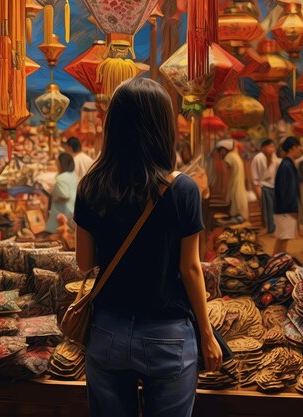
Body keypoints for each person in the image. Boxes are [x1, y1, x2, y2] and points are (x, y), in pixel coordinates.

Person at [74, 78, 222, 417]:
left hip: (108, 330)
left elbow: (84, 262)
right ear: (162, 126)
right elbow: (190, 269)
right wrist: (207, 334)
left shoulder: (90, 186)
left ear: (114, 125)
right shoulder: (183, 189)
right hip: (168, 336)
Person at [273, 136, 303, 255]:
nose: (300, 150)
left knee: (282, 238)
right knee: (283, 239)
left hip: (283, 208)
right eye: (298, 147)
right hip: (286, 209)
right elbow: (287, 190)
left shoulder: (287, 164)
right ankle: (276, 266)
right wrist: (292, 208)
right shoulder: (287, 165)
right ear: (292, 148)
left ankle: (274, 265)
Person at [251, 139, 280, 234]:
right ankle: (270, 229)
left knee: (274, 210)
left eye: (273, 147)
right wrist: (259, 192)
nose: (272, 149)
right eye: (270, 146)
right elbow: (255, 178)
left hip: (274, 186)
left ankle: (274, 229)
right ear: (263, 147)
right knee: (268, 211)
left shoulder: (274, 156)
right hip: (265, 187)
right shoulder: (258, 158)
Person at [45, 153, 78, 234]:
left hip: (63, 210)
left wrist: (55, 197)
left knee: (60, 233)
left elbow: (65, 195)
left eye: (57, 163)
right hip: (72, 208)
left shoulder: (61, 178)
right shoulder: (72, 175)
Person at [217, 139, 248, 220]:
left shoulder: (228, 157)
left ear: (224, 150)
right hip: (238, 183)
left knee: (233, 201)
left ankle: (235, 218)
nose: (219, 154)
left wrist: (224, 188)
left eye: (220, 151)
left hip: (234, 183)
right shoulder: (236, 155)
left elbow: (227, 175)